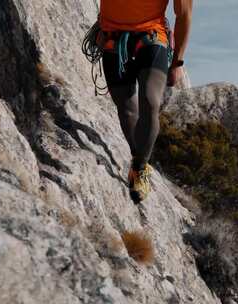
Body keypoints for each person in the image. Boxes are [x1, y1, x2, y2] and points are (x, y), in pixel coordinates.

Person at [98, 0, 193, 203]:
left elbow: (184, 15)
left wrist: (177, 62)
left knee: (150, 102)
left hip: (152, 37)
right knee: (126, 108)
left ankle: (140, 168)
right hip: (112, 37)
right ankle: (137, 155)